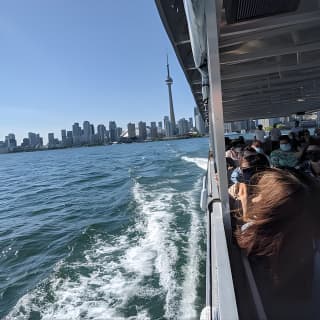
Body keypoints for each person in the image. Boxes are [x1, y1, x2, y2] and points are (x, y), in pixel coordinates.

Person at [236, 169, 320, 319]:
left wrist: (243, 200)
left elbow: (247, 230)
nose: (254, 198)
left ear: (271, 206)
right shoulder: (310, 238)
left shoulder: (255, 239)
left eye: (260, 193)